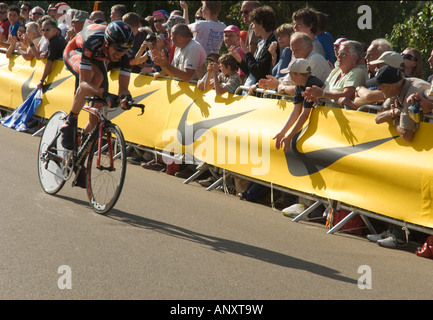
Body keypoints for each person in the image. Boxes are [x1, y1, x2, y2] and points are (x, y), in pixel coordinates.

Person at [61, 21, 135, 154]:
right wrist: (105, 95)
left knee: (95, 119)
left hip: (98, 59)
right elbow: (84, 83)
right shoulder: (93, 41)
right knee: (97, 77)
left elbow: (123, 89)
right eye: (118, 49)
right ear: (108, 43)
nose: (120, 54)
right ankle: (70, 121)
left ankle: (81, 158)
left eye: (124, 50)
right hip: (76, 51)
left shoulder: (128, 55)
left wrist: (126, 98)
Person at [274, 58, 324, 153]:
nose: (289, 77)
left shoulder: (311, 84)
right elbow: (295, 112)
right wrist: (283, 132)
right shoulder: (299, 86)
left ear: (298, 75)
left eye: (290, 74)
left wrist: (289, 136)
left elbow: (305, 114)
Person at [257, 32, 331, 96]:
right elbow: (288, 79)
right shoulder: (301, 59)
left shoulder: (315, 59)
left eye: (296, 50)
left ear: (308, 48)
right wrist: (258, 85)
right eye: (292, 50)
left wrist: (280, 86)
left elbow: (304, 87)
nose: (294, 54)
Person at [375, 65, 432, 142]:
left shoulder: (412, 95)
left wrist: (395, 119)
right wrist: (394, 112)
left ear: (390, 86)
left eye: (380, 86)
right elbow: (378, 118)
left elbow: (407, 135)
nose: (378, 89)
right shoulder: (398, 87)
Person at [303, 40, 366, 108]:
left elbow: (347, 95)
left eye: (343, 54)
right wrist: (313, 94)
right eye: (338, 53)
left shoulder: (357, 72)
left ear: (354, 58)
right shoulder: (336, 71)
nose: (338, 56)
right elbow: (322, 90)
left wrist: (322, 94)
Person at [340, 51, 405, 110]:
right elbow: (356, 101)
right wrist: (374, 100)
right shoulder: (381, 84)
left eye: (379, 66)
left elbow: (368, 96)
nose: (376, 69)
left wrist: (358, 89)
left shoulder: (399, 84)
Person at [235, 6, 279, 88]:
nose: (252, 27)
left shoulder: (273, 44)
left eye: (254, 23)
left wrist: (247, 53)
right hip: (249, 90)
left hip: (258, 93)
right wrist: (239, 60)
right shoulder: (260, 43)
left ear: (261, 23)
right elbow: (251, 71)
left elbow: (259, 73)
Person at [36, 19, 67, 90]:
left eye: (48, 30)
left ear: (54, 30)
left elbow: (50, 62)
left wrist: (42, 80)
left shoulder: (54, 42)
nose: (45, 32)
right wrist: (47, 53)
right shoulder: (57, 38)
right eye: (43, 30)